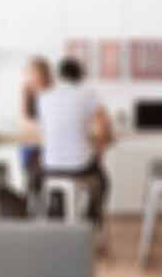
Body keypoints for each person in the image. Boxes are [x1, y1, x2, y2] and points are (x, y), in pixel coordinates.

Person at [35, 57, 114, 225]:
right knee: (104, 182)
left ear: (59, 76)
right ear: (80, 77)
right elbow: (104, 125)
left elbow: (45, 128)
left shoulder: (43, 97)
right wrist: (100, 148)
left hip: (50, 167)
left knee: (55, 178)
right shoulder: (88, 94)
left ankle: (56, 217)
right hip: (79, 167)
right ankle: (90, 221)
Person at [19, 56, 52, 190]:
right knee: (31, 164)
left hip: (48, 142)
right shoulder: (26, 90)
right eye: (30, 73)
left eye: (34, 73)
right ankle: (32, 195)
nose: (32, 77)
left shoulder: (52, 91)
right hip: (32, 142)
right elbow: (25, 118)